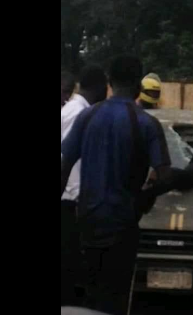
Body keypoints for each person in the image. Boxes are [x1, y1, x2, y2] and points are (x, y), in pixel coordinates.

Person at [61, 55, 171, 315]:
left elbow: (64, 169)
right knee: (117, 297)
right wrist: (147, 198)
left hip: (86, 222)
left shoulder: (87, 117)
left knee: (89, 294)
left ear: (110, 82)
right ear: (138, 85)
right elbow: (164, 175)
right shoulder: (146, 123)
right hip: (123, 225)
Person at [61, 65, 108, 307]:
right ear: (100, 88)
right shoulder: (79, 113)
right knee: (69, 265)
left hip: (70, 199)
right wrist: (81, 198)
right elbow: (69, 160)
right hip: (69, 201)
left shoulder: (75, 109)